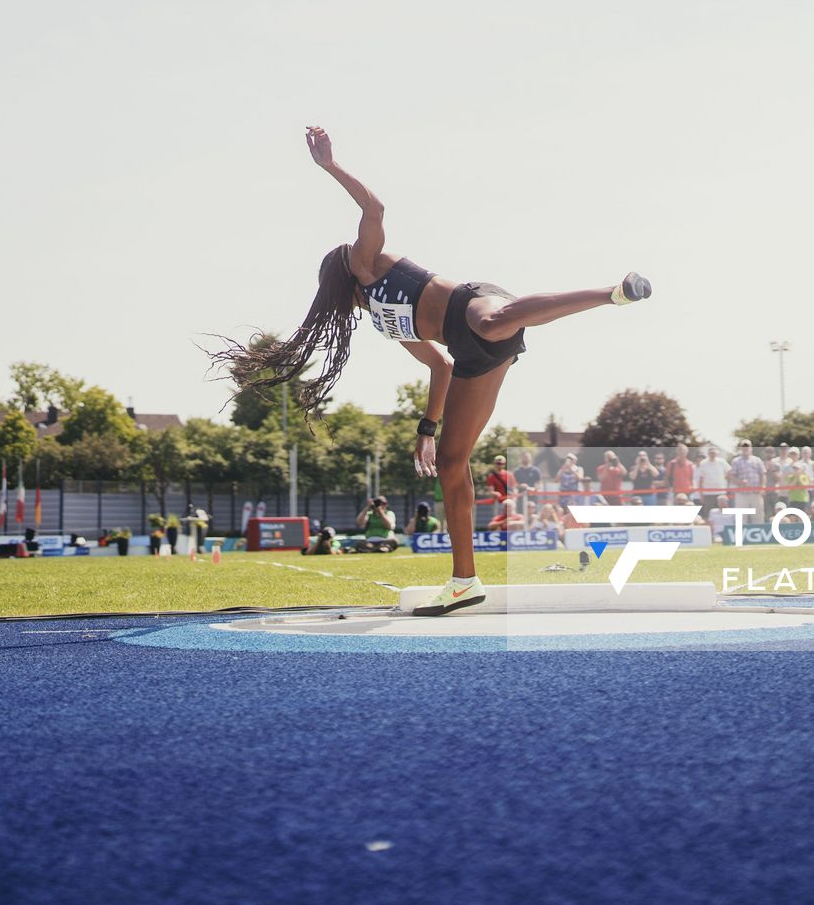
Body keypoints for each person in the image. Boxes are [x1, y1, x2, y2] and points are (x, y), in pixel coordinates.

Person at [211, 127, 650, 616]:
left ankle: (613, 293)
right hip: (471, 356)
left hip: (474, 304)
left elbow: (373, 210)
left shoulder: (364, 263)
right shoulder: (382, 321)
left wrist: (331, 167)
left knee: (492, 320)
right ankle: (465, 582)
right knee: (450, 462)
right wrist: (426, 431)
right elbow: (439, 365)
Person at [694, 445, 730, 515]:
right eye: (711, 453)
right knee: (709, 513)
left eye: (714, 453)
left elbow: (729, 472)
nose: (712, 454)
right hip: (708, 494)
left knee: (723, 513)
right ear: (708, 453)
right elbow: (700, 480)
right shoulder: (703, 463)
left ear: (717, 453)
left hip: (721, 492)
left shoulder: (722, 462)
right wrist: (701, 495)